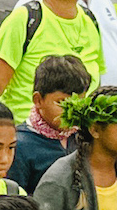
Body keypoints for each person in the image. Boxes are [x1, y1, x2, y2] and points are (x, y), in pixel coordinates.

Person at [8, 54, 90, 192]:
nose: (70, 111)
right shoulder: (20, 145)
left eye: (78, 102)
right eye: (62, 102)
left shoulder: (84, 136)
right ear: (38, 100)